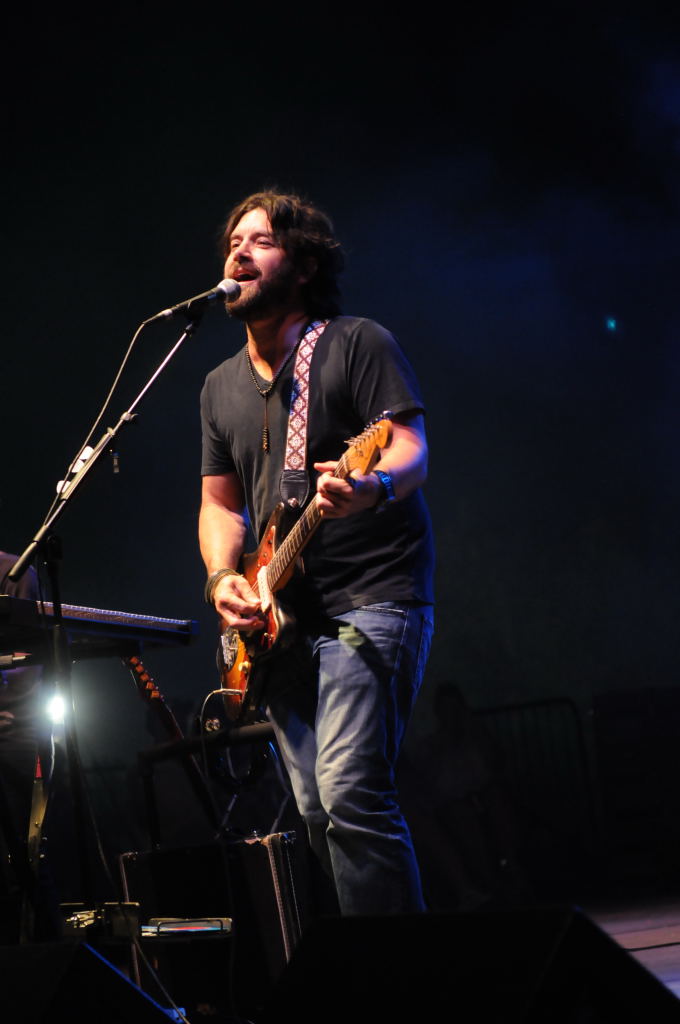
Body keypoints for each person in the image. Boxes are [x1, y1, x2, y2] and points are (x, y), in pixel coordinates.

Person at [198, 191, 435, 916]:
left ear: (303, 265)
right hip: (280, 622)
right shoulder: (218, 387)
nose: (240, 252)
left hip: (372, 595)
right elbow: (221, 506)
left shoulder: (357, 343)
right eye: (234, 242)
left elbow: (408, 447)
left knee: (351, 793)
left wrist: (372, 486)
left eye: (261, 241)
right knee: (315, 812)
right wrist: (223, 578)